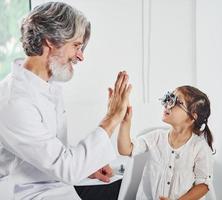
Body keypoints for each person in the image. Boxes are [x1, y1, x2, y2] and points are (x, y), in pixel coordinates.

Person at [0, 2, 131, 200]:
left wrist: (87, 167)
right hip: (29, 194)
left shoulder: (46, 87)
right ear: (51, 40)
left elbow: (51, 153)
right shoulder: (14, 100)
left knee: (126, 188)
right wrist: (112, 118)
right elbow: (65, 167)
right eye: (76, 46)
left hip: (54, 185)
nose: (80, 56)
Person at [118, 85, 215, 200]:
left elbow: (203, 185)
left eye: (178, 102)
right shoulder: (156, 137)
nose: (168, 103)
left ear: (191, 117)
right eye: (170, 97)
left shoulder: (199, 148)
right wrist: (125, 122)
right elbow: (125, 149)